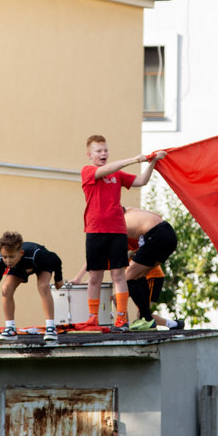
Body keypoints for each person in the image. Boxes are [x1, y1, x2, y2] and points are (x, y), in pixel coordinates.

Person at [81, 135, 165, 331]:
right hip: (95, 230)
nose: (103, 154)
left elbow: (142, 181)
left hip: (118, 231)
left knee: (119, 274)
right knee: (95, 276)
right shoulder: (88, 171)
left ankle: (121, 318)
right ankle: (92, 318)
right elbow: (108, 169)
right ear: (89, 155)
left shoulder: (117, 175)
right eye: (99, 151)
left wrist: (152, 161)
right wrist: (134, 160)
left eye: (105, 150)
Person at [0, 231, 64, 342]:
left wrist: (58, 278)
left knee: (43, 286)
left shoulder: (37, 255)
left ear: (21, 253)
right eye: (5, 257)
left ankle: (51, 327)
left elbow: (56, 259)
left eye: (11, 257)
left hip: (41, 265)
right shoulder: (2, 258)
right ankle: (10, 328)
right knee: (6, 289)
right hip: (19, 268)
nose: (7, 261)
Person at [122, 207, 184, 331]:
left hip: (156, 236)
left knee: (126, 277)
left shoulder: (117, 221)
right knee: (138, 276)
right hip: (169, 233)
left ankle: (146, 320)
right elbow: (158, 214)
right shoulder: (131, 210)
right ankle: (147, 319)